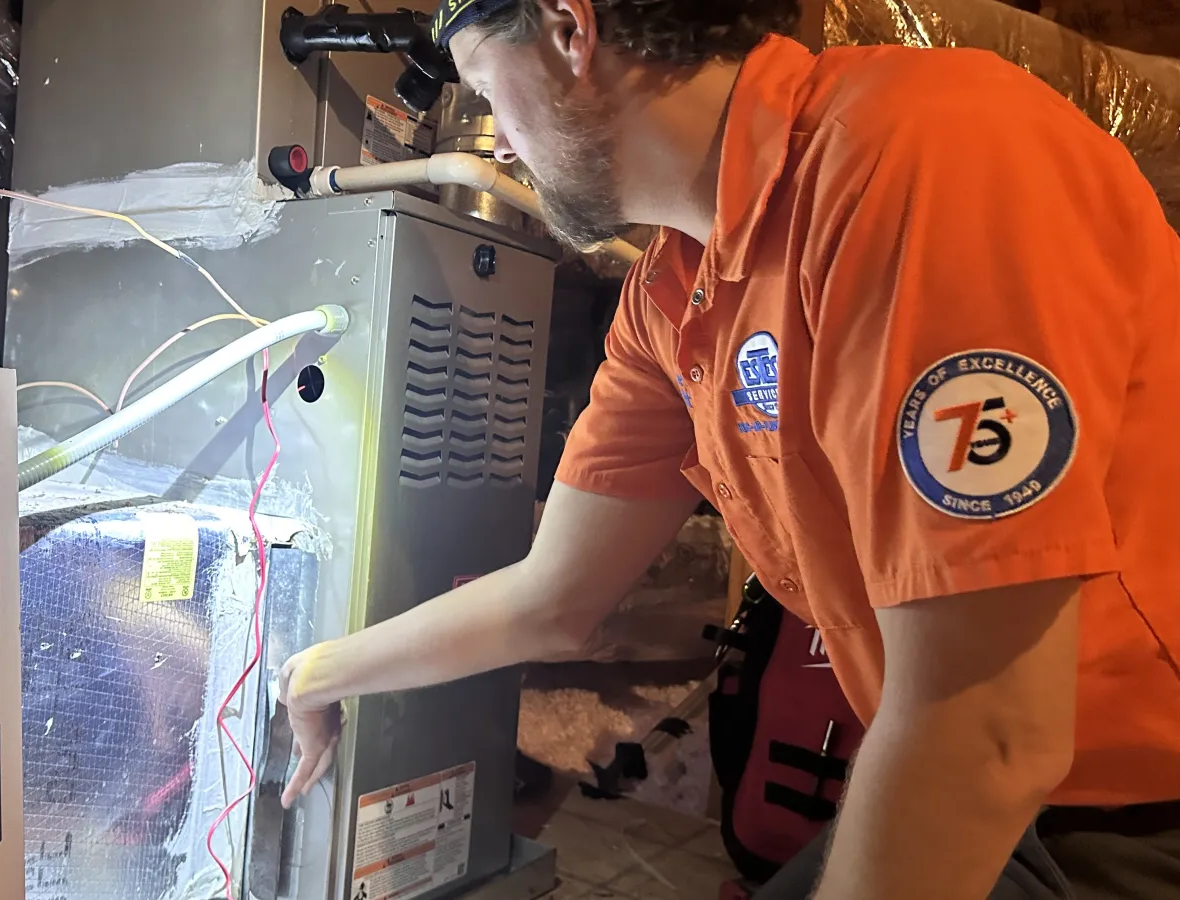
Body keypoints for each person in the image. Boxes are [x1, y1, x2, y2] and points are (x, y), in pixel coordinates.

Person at [276, 0, 1180, 897]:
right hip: (996, 778)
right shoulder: (674, 294)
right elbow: (552, 598)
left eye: (484, 87)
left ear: (568, 29)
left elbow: (990, 729)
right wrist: (320, 674)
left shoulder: (925, 153)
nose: (501, 144)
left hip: (1134, 808)